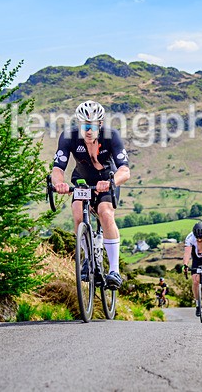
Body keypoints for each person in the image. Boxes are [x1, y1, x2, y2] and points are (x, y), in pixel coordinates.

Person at [51, 100, 131, 289]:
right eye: (84, 126)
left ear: (100, 124)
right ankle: (87, 259)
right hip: (82, 179)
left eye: (92, 126)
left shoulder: (112, 137)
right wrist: (59, 184)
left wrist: (112, 182)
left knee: (105, 212)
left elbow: (125, 171)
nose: (88, 131)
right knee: (78, 213)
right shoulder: (68, 136)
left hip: (105, 180)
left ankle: (114, 270)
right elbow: (57, 167)